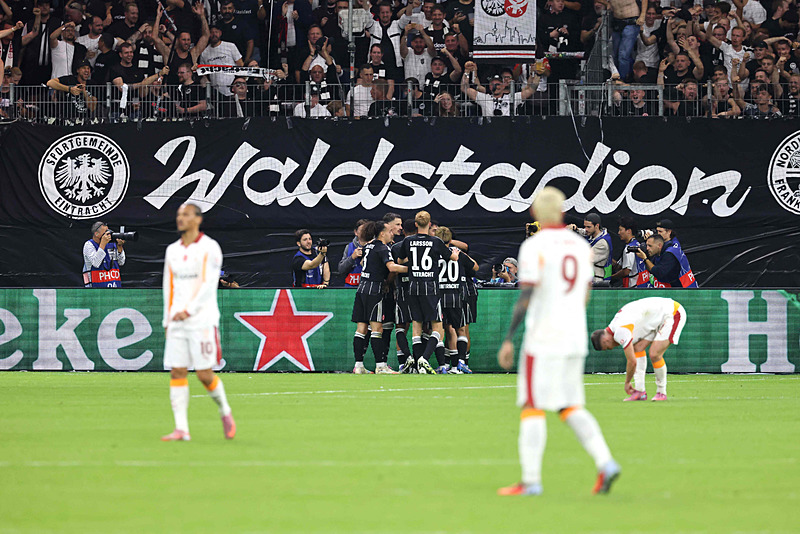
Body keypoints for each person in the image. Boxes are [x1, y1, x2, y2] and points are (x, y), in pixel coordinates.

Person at [497, 186, 620, 497]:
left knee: (532, 405)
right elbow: (585, 293)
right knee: (569, 405)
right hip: (574, 336)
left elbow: (526, 295)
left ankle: (531, 481)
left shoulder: (534, 245)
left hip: (543, 337)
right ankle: (605, 462)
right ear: (563, 212)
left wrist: (509, 338)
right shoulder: (580, 246)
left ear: (535, 213)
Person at [161, 202, 235, 442]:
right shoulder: (172, 250)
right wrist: (167, 319)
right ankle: (181, 428)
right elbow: (168, 286)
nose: (180, 218)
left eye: (186, 214)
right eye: (178, 214)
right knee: (177, 371)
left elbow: (209, 284)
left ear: (198, 219)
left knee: (204, 374)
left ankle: (224, 410)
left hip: (202, 319)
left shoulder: (210, 247)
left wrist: (189, 310)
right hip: (176, 320)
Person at [394, 210, 459, 374]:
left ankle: (417, 365)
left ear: (416, 224)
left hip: (413, 286)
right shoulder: (436, 241)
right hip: (430, 287)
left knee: (416, 326)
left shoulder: (408, 241)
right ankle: (424, 358)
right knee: (437, 327)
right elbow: (452, 257)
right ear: (429, 224)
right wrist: (455, 254)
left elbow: (400, 260)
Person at [590, 296, 687, 402]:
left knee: (655, 354)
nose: (611, 348)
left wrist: (627, 382)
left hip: (673, 313)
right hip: (655, 319)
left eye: (608, 348)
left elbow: (632, 362)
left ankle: (661, 392)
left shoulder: (620, 331)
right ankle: (640, 392)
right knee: (637, 348)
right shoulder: (615, 325)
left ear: (606, 341)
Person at [351, 220, 408, 374]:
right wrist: (411, 268)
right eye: (389, 231)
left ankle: (358, 366)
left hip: (361, 289)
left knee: (361, 329)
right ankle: (381, 366)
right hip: (374, 290)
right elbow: (392, 267)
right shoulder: (383, 248)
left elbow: (363, 263)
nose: (392, 234)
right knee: (377, 329)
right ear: (382, 233)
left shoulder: (368, 246)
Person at [434, 226, 477, 374]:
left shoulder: (433, 254)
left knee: (442, 330)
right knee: (460, 330)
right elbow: (475, 267)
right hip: (456, 295)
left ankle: (443, 365)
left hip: (439, 295)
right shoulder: (457, 253)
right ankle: (459, 364)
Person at [639, 218, 697, 288]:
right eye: (657, 231)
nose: (658, 234)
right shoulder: (669, 243)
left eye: (660, 231)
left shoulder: (671, 250)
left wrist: (645, 258)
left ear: (669, 232)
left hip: (683, 287)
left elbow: (659, 272)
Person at [568, 213, 612, 286]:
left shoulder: (602, 243)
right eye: (585, 226)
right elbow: (584, 232)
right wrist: (576, 229)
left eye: (588, 227)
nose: (586, 229)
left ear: (597, 226)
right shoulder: (594, 233)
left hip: (597, 282)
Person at [82, 221, 126, 288]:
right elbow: (96, 263)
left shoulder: (111, 244)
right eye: (105, 232)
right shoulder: (89, 245)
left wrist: (119, 246)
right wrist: (103, 243)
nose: (108, 234)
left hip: (114, 285)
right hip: (95, 288)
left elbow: (121, 262)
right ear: (96, 234)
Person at [611, 216, 647, 288]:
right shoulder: (636, 244)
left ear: (628, 231)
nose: (618, 233)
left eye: (620, 230)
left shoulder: (629, 248)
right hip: (643, 284)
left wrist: (612, 277)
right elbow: (619, 265)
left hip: (634, 287)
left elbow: (626, 271)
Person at [338, 218, 371, 287]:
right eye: (362, 230)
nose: (365, 232)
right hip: (351, 288)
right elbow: (341, 270)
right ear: (356, 232)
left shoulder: (375, 247)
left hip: (368, 288)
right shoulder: (349, 247)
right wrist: (352, 257)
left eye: (367, 230)